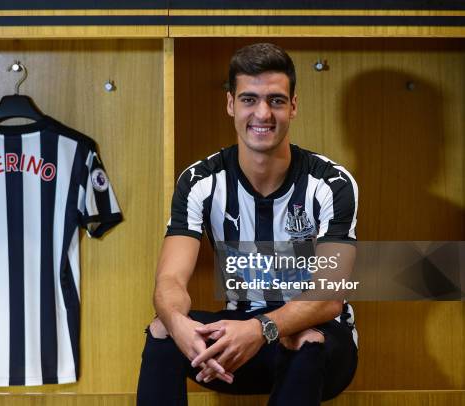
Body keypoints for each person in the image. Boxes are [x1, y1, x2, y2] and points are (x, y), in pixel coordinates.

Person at [136, 43, 359, 406]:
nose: (263, 113)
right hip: (239, 343)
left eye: (275, 100)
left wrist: (262, 328)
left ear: (294, 106)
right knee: (163, 328)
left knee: (304, 338)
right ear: (230, 104)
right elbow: (170, 281)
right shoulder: (199, 182)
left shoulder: (330, 183)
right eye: (249, 99)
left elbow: (328, 297)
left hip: (321, 349)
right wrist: (180, 325)